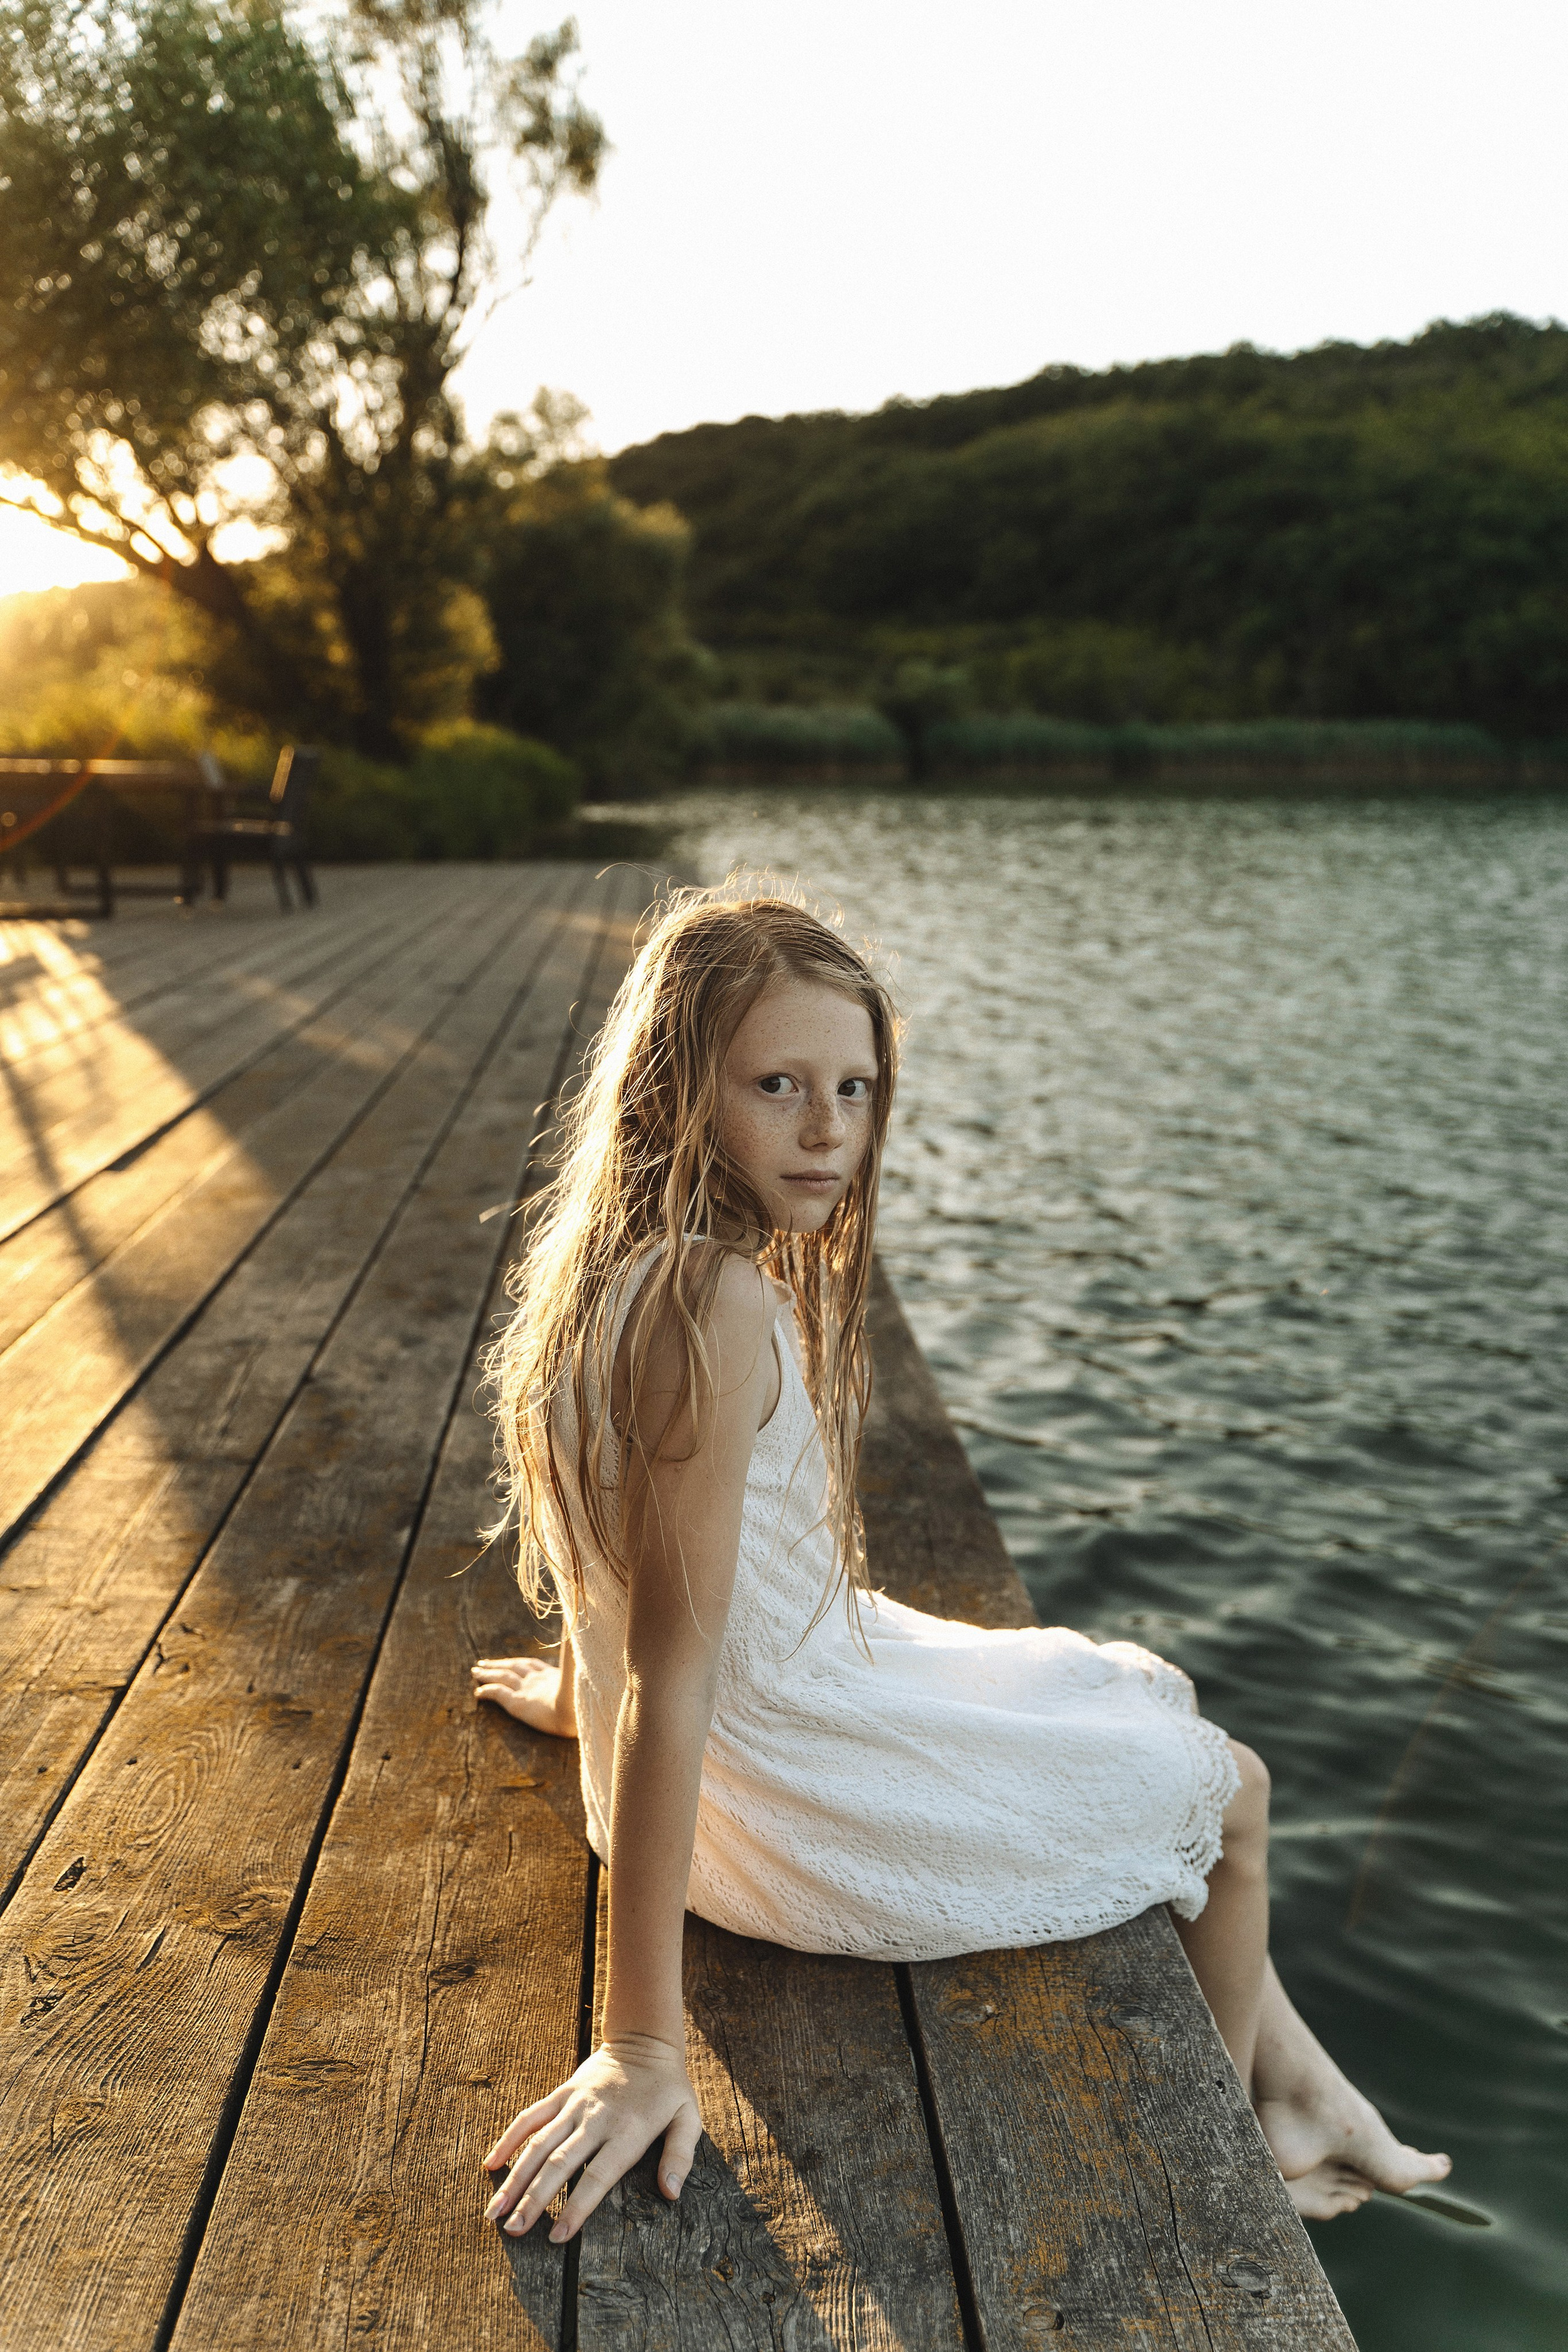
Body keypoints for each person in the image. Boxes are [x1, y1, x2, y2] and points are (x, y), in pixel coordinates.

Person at [472, 885, 1450, 2245]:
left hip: (752, 1730)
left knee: (1114, 1704)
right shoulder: (718, 1300)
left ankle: (1300, 2089)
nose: (829, 1130)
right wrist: (640, 2043)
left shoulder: (613, 1271)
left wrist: (581, 1700)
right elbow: (674, 1668)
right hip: (784, 1792)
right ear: (677, 1088)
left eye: (855, 1087)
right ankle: (1231, 2171)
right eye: (777, 1084)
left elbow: (626, 1595)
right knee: (1232, 1796)